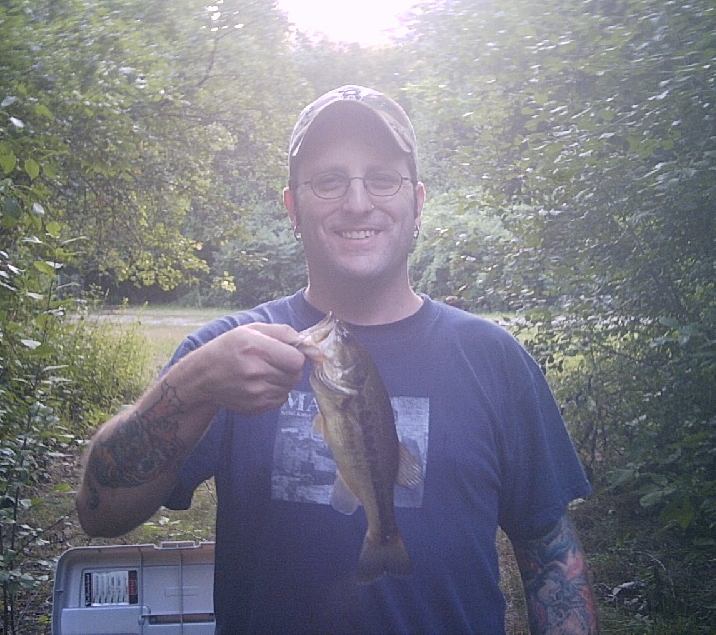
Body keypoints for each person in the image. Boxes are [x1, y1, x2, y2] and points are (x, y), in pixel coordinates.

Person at [76, 84, 599, 634]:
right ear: (293, 207)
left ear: (417, 203)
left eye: (382, 178)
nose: (357, 202)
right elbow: (100, 511)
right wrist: (191, 385)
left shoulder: (494, 360)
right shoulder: (226, 350)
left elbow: (551, 560)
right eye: (329, 181)